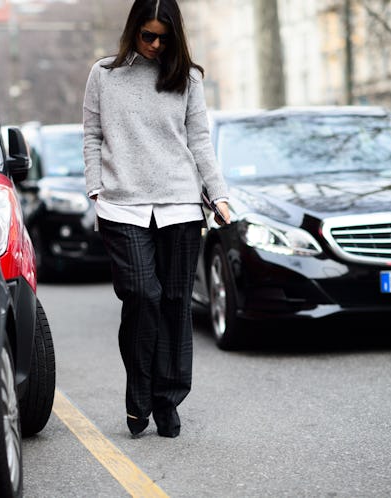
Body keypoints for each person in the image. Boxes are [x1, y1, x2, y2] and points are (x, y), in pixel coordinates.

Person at [82, 0, 230, 438]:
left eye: (164, 38)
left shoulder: (188, 78)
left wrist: (219, 195)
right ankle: (139, 394)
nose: (154, 45)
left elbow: (199, 141)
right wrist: (96, 187)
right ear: (133, 31)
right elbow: (91, 134)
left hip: (180, 204)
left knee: (175, 304)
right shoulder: (104, 75)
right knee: (143, 295)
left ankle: (167, 401)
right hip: (121, 205)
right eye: (147, 35)